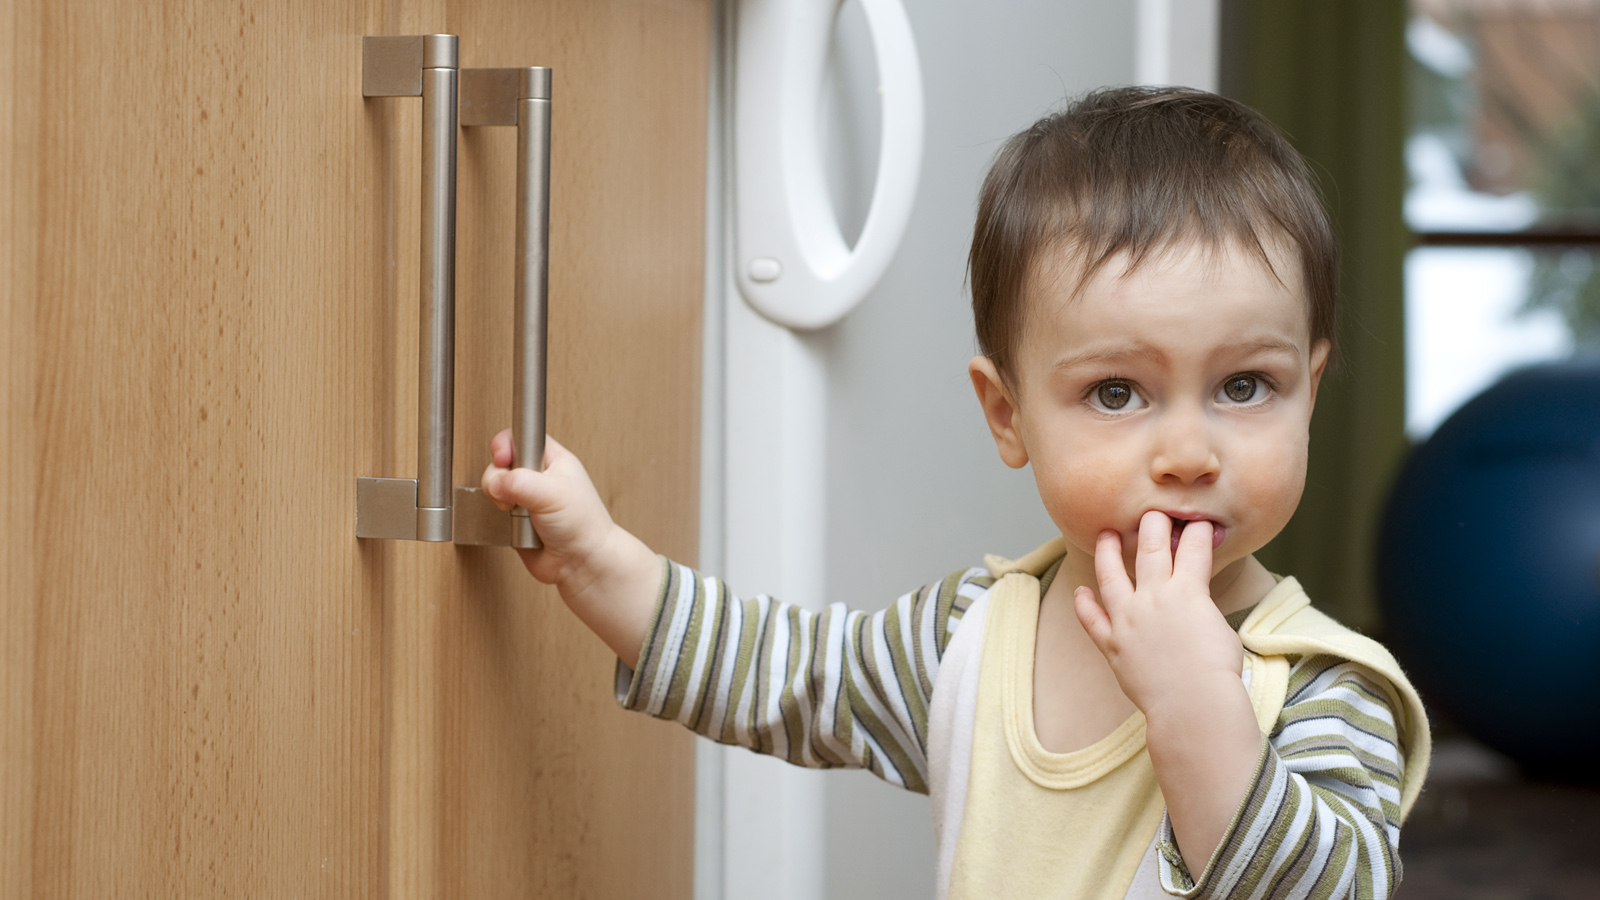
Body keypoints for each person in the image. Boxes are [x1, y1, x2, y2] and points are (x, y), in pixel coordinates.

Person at [479, 86, 1431, 900]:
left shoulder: (1321, 689)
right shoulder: (974, 638)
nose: (1189, 451)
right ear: (1007, 414)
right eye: (1116, 392)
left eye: (1244, 386)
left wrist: (1196, 701)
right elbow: (791, 677)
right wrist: (600, 562)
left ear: (1310, 387)